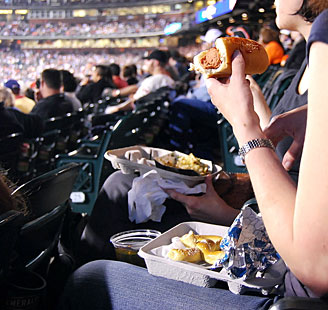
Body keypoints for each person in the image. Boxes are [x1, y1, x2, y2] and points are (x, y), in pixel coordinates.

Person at [60, 0, 328, 309]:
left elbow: (320, 266)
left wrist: (245, 126)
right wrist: (324, 112)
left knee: (89, 280)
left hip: (326, 298)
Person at [74, 5, 310, 264]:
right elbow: (279, 151)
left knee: (88, 276)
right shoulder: (308, 65)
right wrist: (254, 100)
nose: (274, 3)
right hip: (257, 195)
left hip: (260, 227)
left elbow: (304, 242)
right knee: (119, 182)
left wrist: (223, 213)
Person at [106, 50, 175, 113]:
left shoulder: (152, 81)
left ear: (156, 62)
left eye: (148, 60)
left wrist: (115, 108)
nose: (145, 62)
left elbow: (136, 102)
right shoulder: (170, 80)